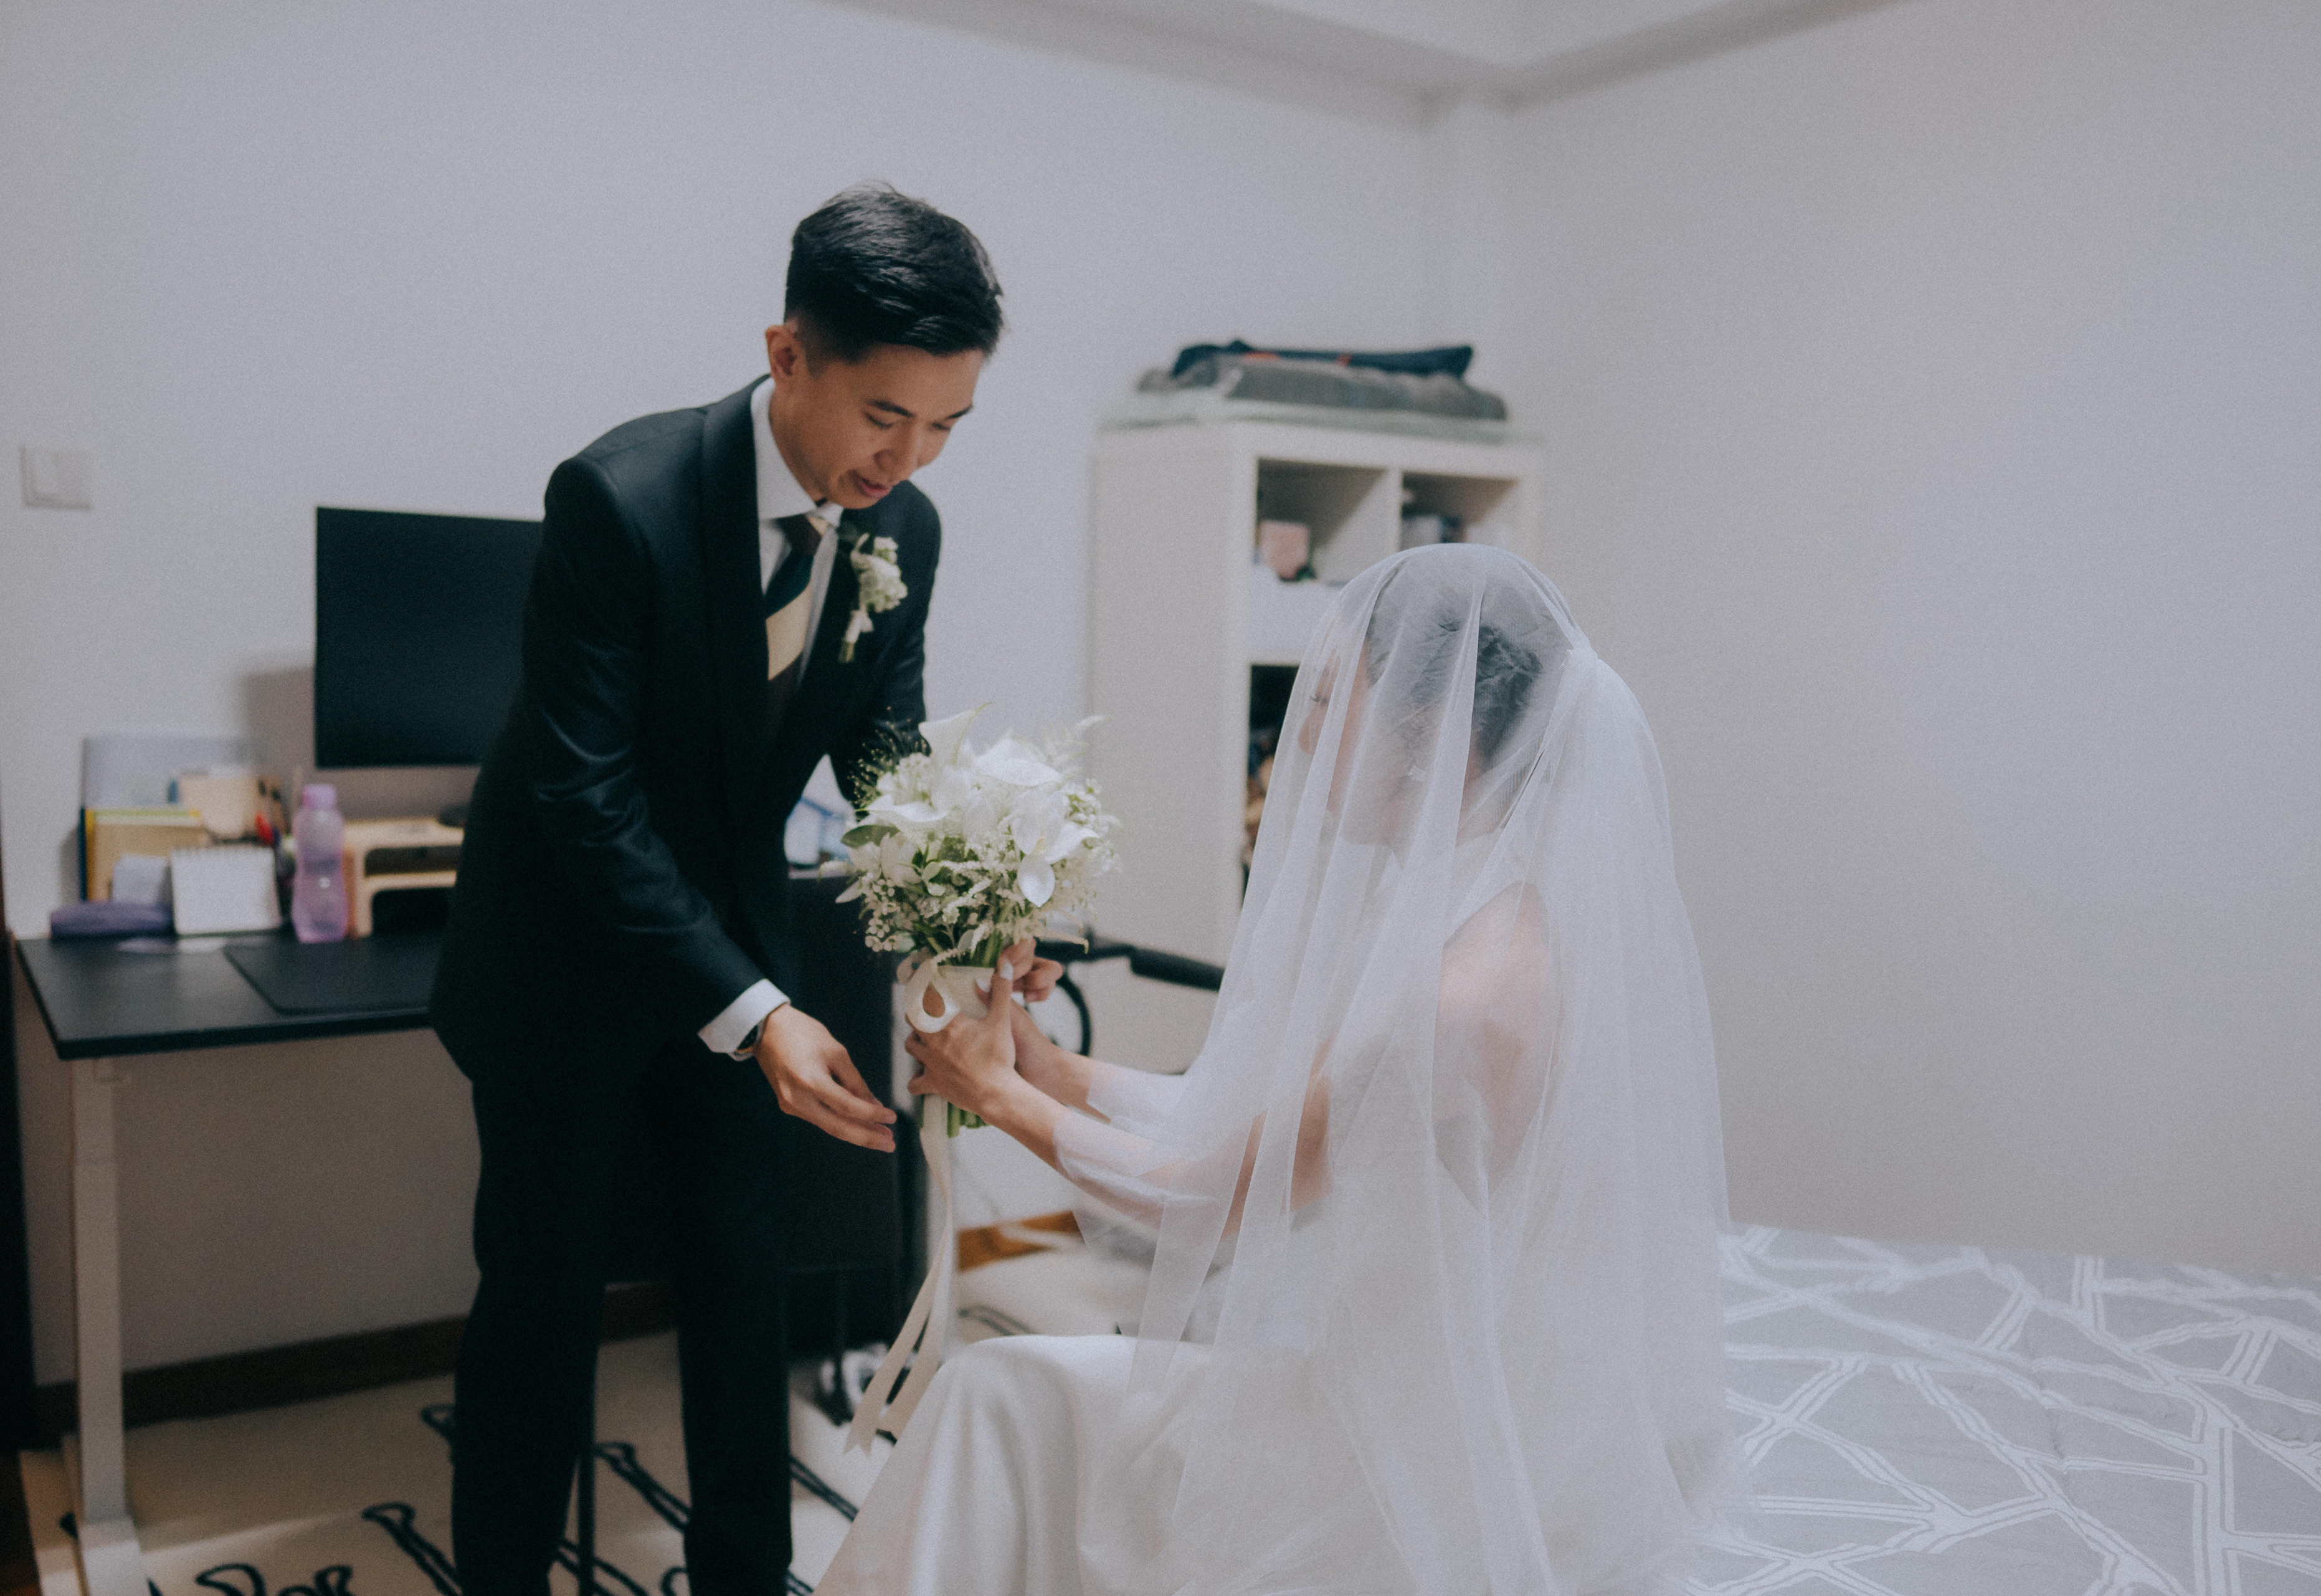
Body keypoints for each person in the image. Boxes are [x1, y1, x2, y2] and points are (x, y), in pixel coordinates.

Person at [824, 544, 1742, 1595]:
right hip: (1429, 1399)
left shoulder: (1459, 996)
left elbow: (1201, 1203)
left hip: (1414, 1466)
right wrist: (1047, 1067)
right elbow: (1256, 1119)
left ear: (1422, 732)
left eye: (1331, 698)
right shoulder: (1486, 912)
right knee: (1015, 1391)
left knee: (995, 1391)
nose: (1299, 734)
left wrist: (994, 1094)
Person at [430, 184, 1035, 1595]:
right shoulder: (620, 498)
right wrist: (756, 1008)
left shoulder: (904, 530)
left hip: (742, 947)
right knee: (541, 1304)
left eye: (947, 426)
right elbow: (585, 799)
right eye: (885, 415)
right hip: (562, 959)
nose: (909, 459)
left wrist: (973, 918)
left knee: (743, 1294)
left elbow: (885, 759)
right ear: (787, 354)